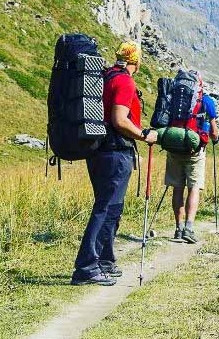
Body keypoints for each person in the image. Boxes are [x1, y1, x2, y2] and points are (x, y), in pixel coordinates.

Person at [71, 41, 157, 286]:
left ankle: (104, 261)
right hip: (115, 152)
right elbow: (120, 120)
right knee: (106, 208)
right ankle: (86, 267)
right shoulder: (125, 81)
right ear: (136, 62)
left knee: (111, 208)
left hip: (98, 150)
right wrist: (143, 135)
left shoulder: (106, 76)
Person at [165, 87, 219, 244]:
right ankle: (189, 228)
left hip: (174, 148)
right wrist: (215, 138)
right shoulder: (206, 100)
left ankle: (178, 228)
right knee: (194, 188)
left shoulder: (173, 96)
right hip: (195, 150)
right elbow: (214, 132)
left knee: (177, 188)